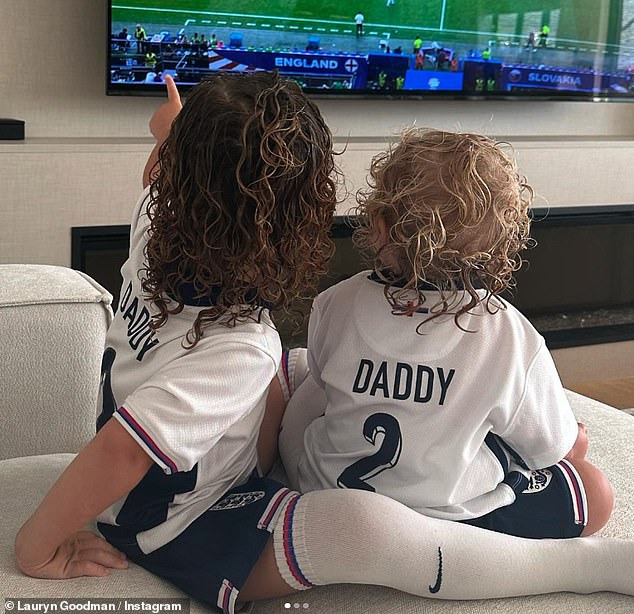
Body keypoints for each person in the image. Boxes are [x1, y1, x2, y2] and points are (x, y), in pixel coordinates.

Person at [14, 79, 634, 613]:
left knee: (308, 371)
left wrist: (178, 138)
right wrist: (37, 545)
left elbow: (165, 172)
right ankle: (593, 568)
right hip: (173, 523)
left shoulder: (153, 218)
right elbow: (123, 452)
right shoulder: (243, 348)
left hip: (193, 459)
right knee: (367, 528)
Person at [278, 128, 615, 541]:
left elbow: (324, 382)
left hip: (331, 498)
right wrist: (572, 441)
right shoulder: (510, 335)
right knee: (593, 492)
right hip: (448, 519)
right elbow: (551, 450)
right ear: (501, 246)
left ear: (379, 226)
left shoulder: (334, 303)